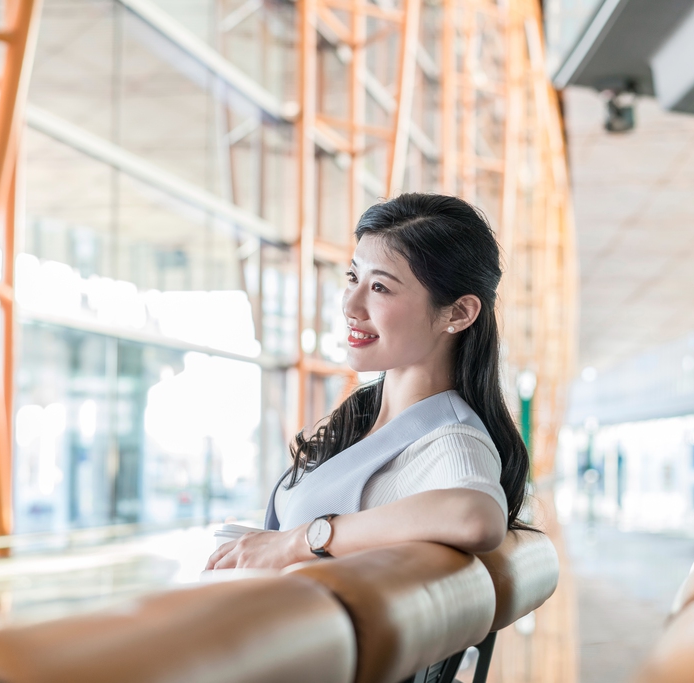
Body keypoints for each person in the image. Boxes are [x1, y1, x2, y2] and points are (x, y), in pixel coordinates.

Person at [206, 193, 530, 570]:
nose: (350, 306)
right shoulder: (365, 419)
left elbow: (475, 517)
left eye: (380, 288)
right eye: (353, 277)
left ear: (457, 313)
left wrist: (306, 539)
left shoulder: (451, 440)